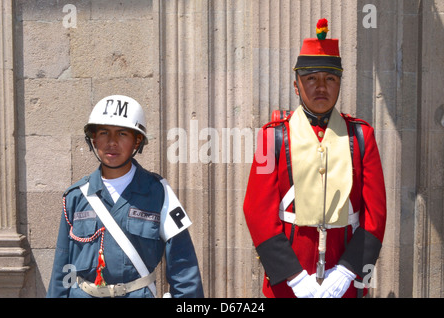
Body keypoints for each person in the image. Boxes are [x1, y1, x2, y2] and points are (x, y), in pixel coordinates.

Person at [243, 19, 386, 298]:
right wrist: (294, 277)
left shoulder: (361, 136)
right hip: (288, 281)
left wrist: (346, 272)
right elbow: (256, 212)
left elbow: (375, 215)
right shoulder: (269, 137)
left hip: (345, 277)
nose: (321, 87)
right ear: (297, 85)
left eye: (330, 79)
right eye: (311, 78)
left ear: (340, 84)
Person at [47, 95, 204, 298]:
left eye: (122, 134)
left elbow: (184, 267)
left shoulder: (159, 193)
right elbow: (62, 267)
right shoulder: (75, 197)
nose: (112, 142)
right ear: (93, 139)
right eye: (104, 132)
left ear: (137, 141)